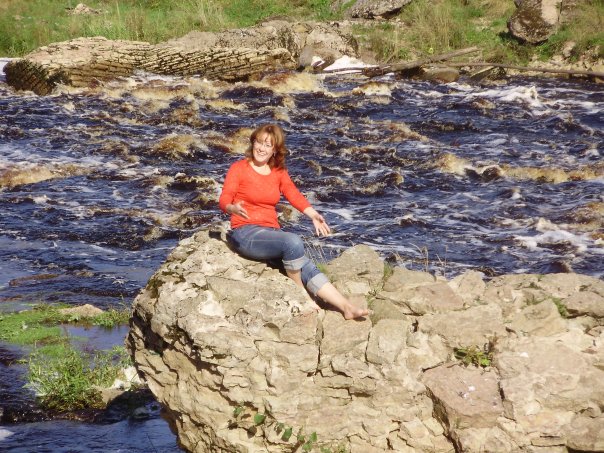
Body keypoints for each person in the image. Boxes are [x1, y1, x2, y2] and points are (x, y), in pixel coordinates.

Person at [218, 124, 368, 320]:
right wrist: (231, 208)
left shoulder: (278, 172)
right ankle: (301, 294)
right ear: (253, 142)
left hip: (270, 233)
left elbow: (292, 193)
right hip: (245, 233)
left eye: (268, 145)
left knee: (305, 265)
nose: (262, 148)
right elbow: (225, 198)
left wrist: (313, 214)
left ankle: (346, 307)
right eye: (259, 143)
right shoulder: (239, 168)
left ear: (275, 150)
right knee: (293, 242)